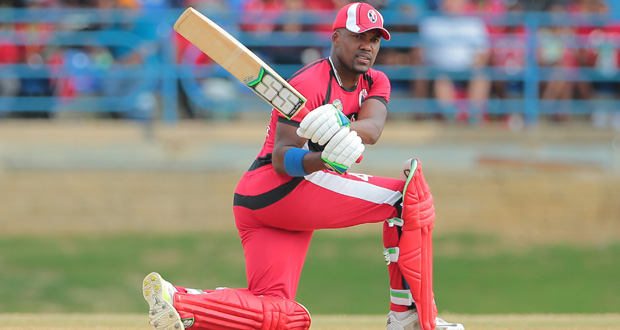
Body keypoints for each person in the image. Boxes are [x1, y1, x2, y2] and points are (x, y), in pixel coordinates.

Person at [142, 3, 464, 330]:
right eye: (358, 37)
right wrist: (320, 157)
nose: (367, 46)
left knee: (285, 314)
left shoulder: (376, 80)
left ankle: (180, 301)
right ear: (336, 38)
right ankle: (409, 316)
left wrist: (340, 128)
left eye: (374, 39)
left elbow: (373, 128)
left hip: (268, 203)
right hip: (278, 187)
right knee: (406, 199)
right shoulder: (309, 84)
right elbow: (283, 159)